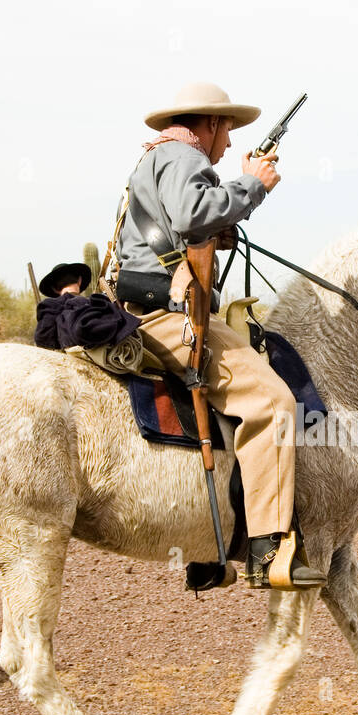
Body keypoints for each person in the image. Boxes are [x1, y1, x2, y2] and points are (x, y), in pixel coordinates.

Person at [110, 81, 324, 590]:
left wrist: (223, 219)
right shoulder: (184, 156)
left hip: (141, 305)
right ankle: (268, 551)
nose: (228, 145)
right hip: (167, 314)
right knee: (273, 402)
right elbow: (190, 215)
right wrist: (253, 185)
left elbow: (183, 223)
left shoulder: (156, 159)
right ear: (209, 124)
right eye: (226, 132)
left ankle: (208, 546)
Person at [34, 263, 140, 351]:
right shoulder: (98, 301)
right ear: (79, 280)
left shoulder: (50, 306)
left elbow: (43, 341)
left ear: (54, 289)